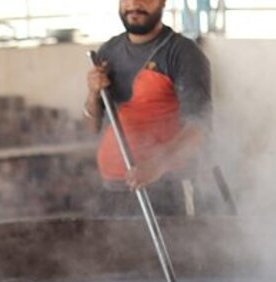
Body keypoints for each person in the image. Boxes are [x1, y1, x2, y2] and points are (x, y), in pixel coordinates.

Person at [84, 0, 212, 215]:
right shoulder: (109, 51)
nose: (134, 3)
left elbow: (199, 127)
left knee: (170, 248)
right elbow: (92, 126)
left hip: (163, 189)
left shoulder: (182, 53)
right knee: (113, 249)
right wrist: (93, 93)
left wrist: (158, 164)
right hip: (112, 189)